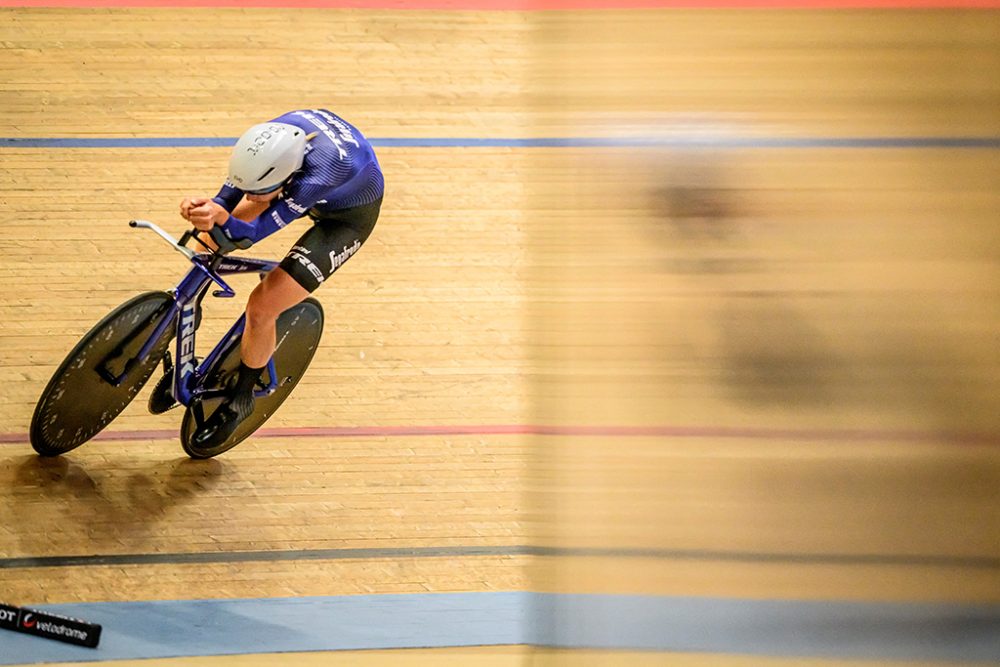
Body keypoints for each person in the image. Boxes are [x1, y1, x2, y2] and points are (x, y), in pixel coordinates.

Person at [165, 109, 384, 448]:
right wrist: (207, 208)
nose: (251, 197)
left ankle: (241, 399)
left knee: (262, 306)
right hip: (303, 177)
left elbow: (250, 233)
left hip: (345, 218)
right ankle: (189, 322)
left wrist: (223, 217)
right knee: (207, 239)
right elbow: (230, 197)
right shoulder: (268, 138)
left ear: (288, 177)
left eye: (260, 190)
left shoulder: (318, 177)